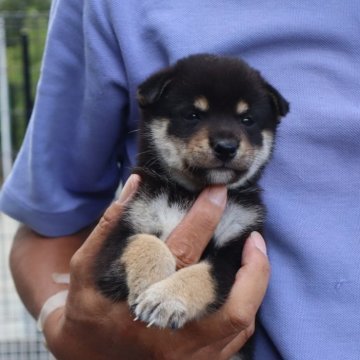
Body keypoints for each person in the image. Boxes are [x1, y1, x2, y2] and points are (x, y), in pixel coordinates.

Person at [1, 0, 359, 359]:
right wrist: (66, 331)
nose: (225, 140)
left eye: (247, 122)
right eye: (192, 115)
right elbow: (49, 229)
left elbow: (224, 272)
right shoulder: (110, 9)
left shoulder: (246, 211)